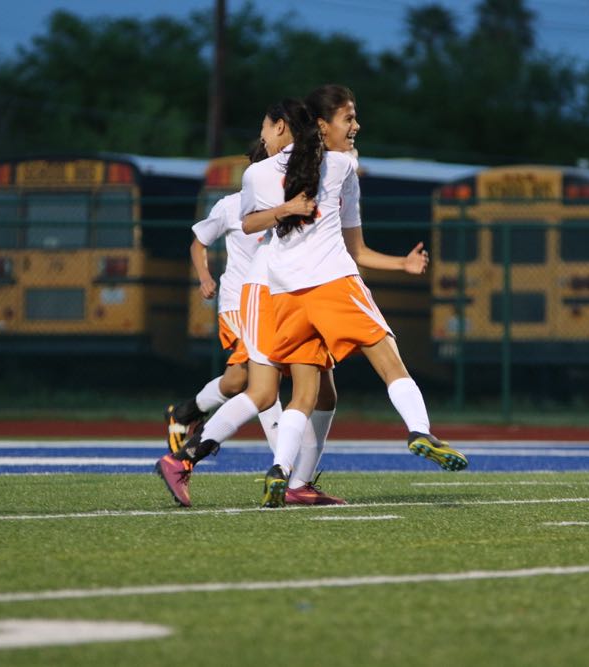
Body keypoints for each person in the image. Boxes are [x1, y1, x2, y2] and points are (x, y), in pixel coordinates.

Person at [174, 85, 469, 509]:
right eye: (349, 118)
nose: (356, 126)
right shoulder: (341, 166)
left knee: (304, 394)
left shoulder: (257, 173)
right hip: (332, 282)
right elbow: (354, 247)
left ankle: (281, 469)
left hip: (286, 294)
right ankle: (420, 430)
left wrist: (399, 263)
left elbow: (251, 223)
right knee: (388, 358)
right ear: (320, 124)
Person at [157, 100, 345, 507]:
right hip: (262, 297)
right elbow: (245, 225)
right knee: (261, 390)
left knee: (313, 390)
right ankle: (193, 455)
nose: (263, 139)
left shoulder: (309, 172)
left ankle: (292, 479)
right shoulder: (258, 182)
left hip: (294, 293)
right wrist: (289, 208)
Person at [155, 140, 283, 508]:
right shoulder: (230, 206)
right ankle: (283, 469)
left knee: (237, 381)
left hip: (269, 303)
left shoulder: (282, 209)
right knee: (264, 377)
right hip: (237, 305)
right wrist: (205, 278)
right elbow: (198, 242)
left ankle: (184, 412)